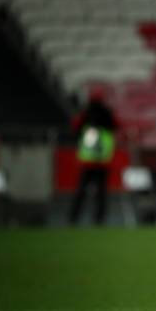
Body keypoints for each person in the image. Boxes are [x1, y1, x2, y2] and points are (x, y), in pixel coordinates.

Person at [69, 88, 119, 225]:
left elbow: (75, 127)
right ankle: (99, 220)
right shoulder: (108, 115)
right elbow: (117, 126)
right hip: (102, 161)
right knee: (101, 194)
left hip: (88, 161)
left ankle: (73, 219)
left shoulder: (85, 115)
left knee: (81, 193)